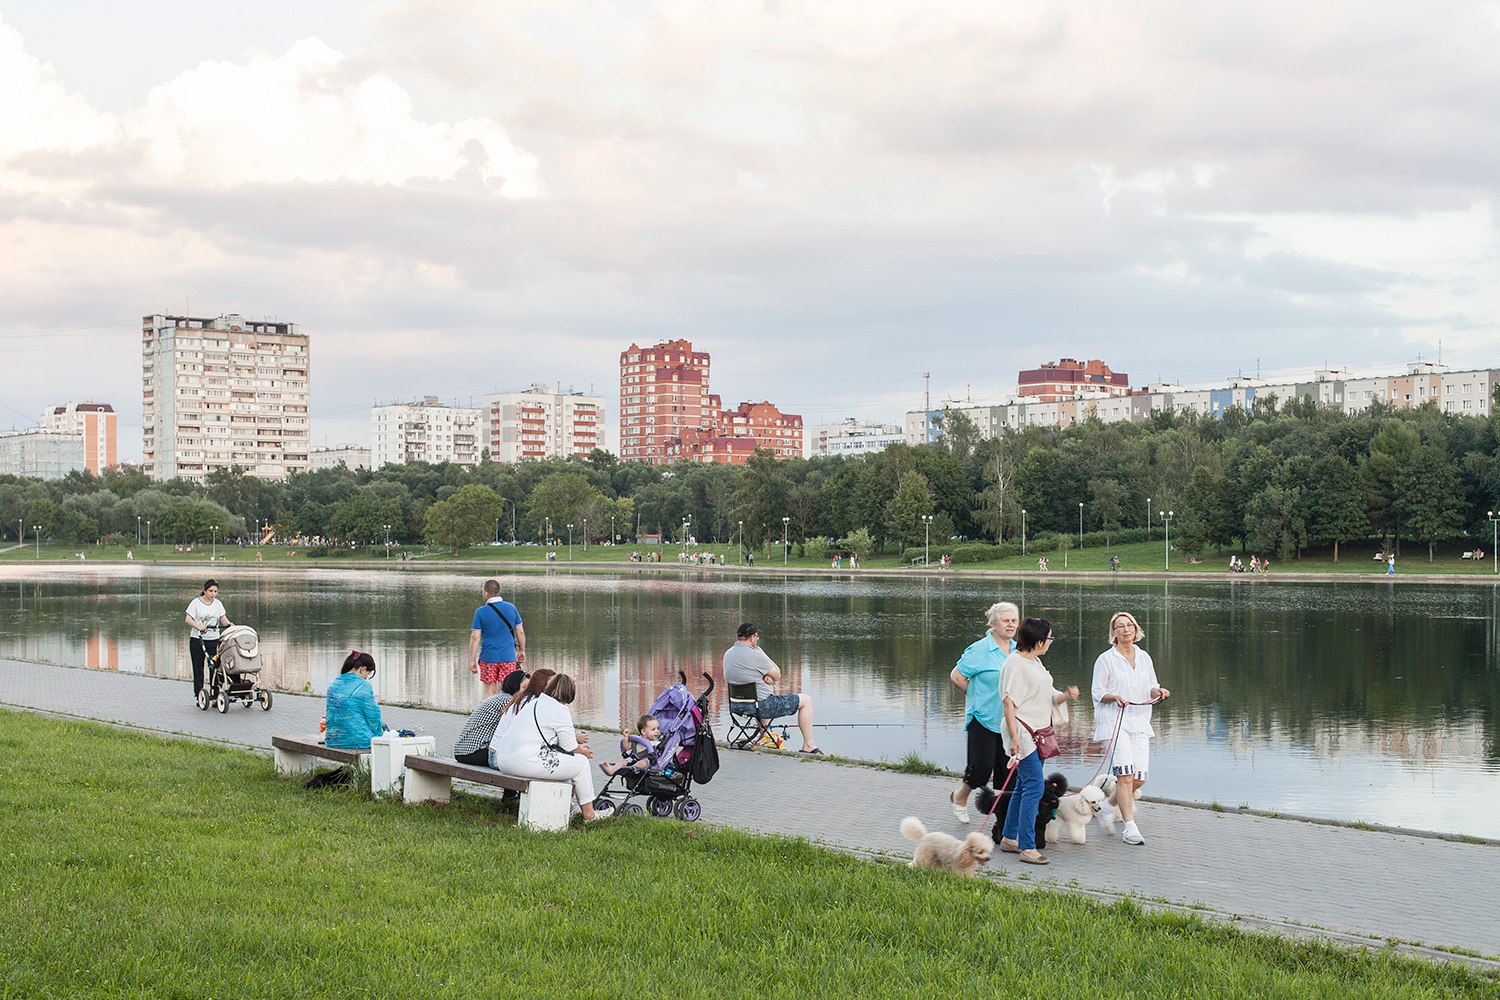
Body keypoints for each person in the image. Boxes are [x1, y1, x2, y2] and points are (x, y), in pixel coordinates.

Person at [998, 617, 1079, 865]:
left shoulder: (1035, 661)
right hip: (1023, 733)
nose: (1051, 642)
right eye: (1050, 638)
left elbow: (1046, 695)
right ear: (1039, 640)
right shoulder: (1015, 663)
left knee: (1025, 786)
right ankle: (1027, 846)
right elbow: (1009, 702)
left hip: (1038, 732)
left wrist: (1065, 696)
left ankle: (1009, 838)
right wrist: (1013, 738)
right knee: (1033, 786)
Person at [1091, 611, 1169, 846]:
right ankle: (1130, 827)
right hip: (1114, 722)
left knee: (1139, 779)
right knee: (1124, 776)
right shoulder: (1106, 659)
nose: (1126, 630)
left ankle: (1106, 808)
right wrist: (1114, 697)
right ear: (1113, 633)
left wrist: (1159, 693)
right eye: (1120, 627)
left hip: (1139, 722)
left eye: (1130, 626)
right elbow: (1097, 693)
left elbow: (1152, 686)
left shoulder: (1144, 657)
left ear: (1136, 630)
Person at [490, 671, 608, 822]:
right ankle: (589, 815)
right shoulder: (559, 709)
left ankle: (568, 807)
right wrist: (583, 752)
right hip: (523, 762)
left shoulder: (535, 702)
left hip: (505, 761)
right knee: (581, 764)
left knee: (564, 763)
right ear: (569, 693)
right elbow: (570, 746)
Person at [947, 601, 1020, 824]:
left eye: (1014, 621)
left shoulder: (1019, 650)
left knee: (1009, 771)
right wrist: (976, 698)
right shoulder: (980, 650)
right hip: (983, 717)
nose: (1010, 625)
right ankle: (960, 797)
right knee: (981, 767)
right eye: (1006, 620)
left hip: (1010, 720)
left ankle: (1004, 818)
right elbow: (957, 677)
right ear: (993, 623)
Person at [722, 622, 822, 754]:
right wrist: (762, 653)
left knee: (759, 699)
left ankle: (764, 736)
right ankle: (808, 745)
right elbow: (777, 674)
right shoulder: (755, 655)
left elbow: (746, 675)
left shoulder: (728, 654)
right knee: (806, 701)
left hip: (737, 706)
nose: (757, 640)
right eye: (757, 637)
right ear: (752, 638)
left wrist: (765, 675)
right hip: (760, 707)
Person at [452, 669, 528, 766]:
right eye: (524, 688)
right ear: (514, 685)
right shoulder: (508, 701)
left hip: (462, 751)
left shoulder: (498, 697)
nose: (527, 692)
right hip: (475, 751)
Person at [470, 579, 525, 699]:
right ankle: (507, 716)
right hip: (508, 658)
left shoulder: (480, 612)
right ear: (499, 591)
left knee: (490, 693)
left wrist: (472, 659)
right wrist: (521, 650)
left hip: (488, 658)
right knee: (509, 692)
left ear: (485, 593)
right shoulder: (511, 608)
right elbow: (520, 631)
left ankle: (491, 716)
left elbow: (475, 638)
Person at [325, 650, 384, 750]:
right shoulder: (363, 685)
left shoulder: (333, 683)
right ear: (363, 669)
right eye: (367, 674)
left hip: (333, 740)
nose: (366, 678)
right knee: (384, 729)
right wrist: (374, 704)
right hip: (357, 741)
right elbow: (373, 717)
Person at [184, 579, 232, 701]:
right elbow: (188, 619)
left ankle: (215, 694)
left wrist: (229, 624)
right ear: (204, 591)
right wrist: (197, 625)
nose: (213, 594)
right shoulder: (196, 603)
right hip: (198, 640)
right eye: (210, 591)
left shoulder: (218, 604)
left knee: (214, 667)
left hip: (214, 639)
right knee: (198, 668)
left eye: (215, 591)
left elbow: (223, 619)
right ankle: (199, 695)